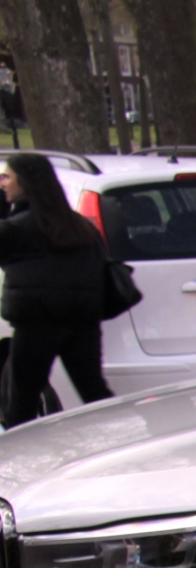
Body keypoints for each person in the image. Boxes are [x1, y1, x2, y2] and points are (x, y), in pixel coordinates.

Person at [0, 153, 112, 428]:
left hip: (36, 325)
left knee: (21, 405)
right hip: (82, 323)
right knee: (95, 393)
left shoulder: (16, 228)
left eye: (7, 176)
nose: (2, 183)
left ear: (25, 183)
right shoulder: (80, 226)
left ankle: (19, 463)